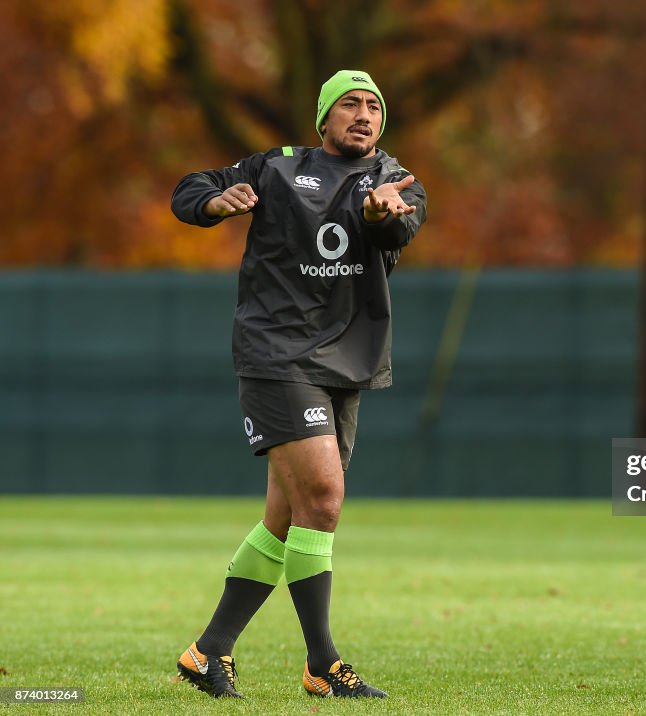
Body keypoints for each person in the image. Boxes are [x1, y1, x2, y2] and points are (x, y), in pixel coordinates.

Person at [169, 70, 426, 699]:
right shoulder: (278, 168)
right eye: (349, 104)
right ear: (323, 119)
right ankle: (323, 663)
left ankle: (208, 653)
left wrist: (382, 214)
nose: (363, 114)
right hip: (278, 353)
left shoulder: (396, 182)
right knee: (325, 500)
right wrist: (212, 202)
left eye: (374, 106)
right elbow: (188, 191)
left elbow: (399, 229)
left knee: (288, 522)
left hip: (346, 364)